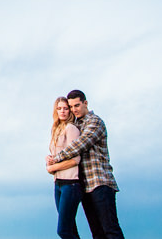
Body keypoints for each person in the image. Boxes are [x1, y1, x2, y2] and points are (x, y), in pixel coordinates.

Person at [47, 90, 125, 239]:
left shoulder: (94, 122)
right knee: (97, 233)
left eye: (77, 105)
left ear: (85, 103)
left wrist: (56, 159)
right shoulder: (76, 125)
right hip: (85, 186)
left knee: (110, 229)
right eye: (71, 107)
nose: (74, 109)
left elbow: (79, 145)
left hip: (100, 183)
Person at [47, 96, 83, 239]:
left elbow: (75, 159)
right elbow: (55, 156)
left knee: (63, 231)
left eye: (65, 108)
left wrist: (52, 167)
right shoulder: (55, 129)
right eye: (59, 108)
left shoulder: (71, 128)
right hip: (58, 184)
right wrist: (48, 161)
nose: (62, 111)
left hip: (71, 184)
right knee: (71, 230)